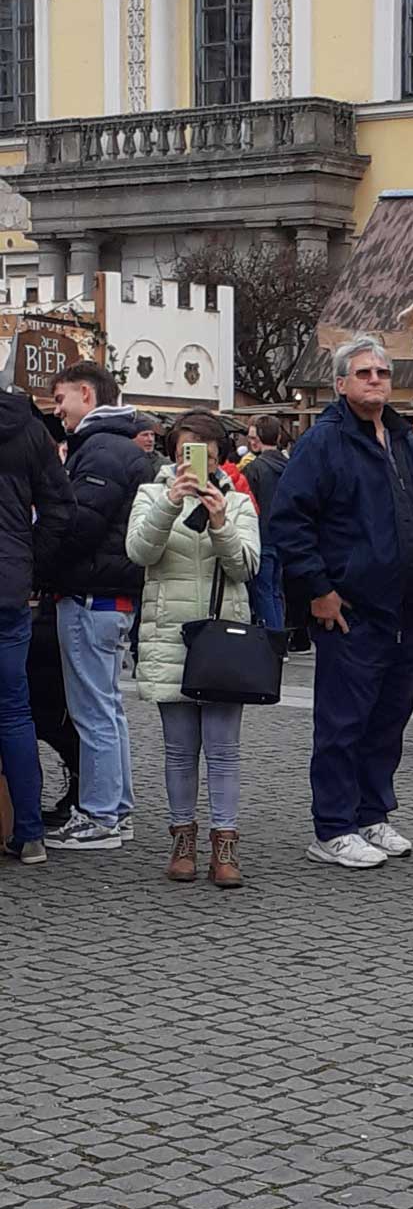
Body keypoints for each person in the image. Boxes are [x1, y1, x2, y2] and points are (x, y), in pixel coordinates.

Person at [268, 335, 413, 869]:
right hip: (350, 609)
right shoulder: (324, 442)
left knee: (389, 720)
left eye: (383, 373)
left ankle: (371, 812)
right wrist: (319, 589)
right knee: (343, 724)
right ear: (340, 383)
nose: (376, 381)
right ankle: (333, 826)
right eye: (364, 373)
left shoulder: (404, 440)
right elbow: (289, 522)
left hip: (405, 608)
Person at [125, 412, 260, 886]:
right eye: (186, 452)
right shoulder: (150, 495)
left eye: (202, 451)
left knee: (223, 751)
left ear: (219, 455)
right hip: (169, 637)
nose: (193, 462)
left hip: (222, 640)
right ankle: (182, 840)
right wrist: (169, 503)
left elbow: (246, 568)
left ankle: (225, 846)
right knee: (179, 751)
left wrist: (221, 520)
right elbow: (140, 552)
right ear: (173, 454)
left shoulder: (240, 502)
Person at [44, 363, 154, 849]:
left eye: (61, 398)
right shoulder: (120, 446)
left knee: (93, 711)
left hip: (91, 595)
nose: (58, 410)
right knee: (107, 710)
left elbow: (77, 526)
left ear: (86, 394)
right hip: (111, 594)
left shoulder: (101, 451)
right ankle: (115, 809)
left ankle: (100, 816)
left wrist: (39, 564)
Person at [0, 384, 74, 863]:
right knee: (14, 713)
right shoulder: (28, 428)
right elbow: (59, 508)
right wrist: (30, 564)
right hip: (8, 585)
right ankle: (28, 833)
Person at [244, 416, 289, 633]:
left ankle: (271, 637)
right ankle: (279, 635)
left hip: (261, 535)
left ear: (258, 438)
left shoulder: (255, 469)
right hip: (284, 535)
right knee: (276, 590)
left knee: (263, 590)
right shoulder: (289, 465)